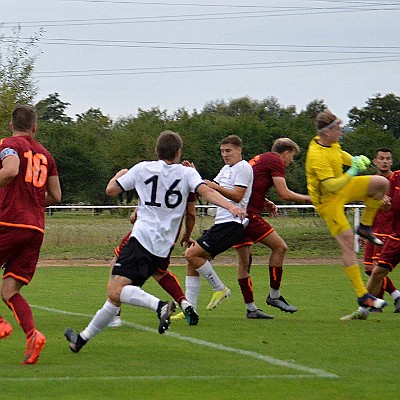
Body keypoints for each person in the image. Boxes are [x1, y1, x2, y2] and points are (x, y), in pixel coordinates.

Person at [64, 130, 246, 353]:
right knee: (114, 296)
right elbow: (206, 191)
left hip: (141, 238)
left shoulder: (143, 168)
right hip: (162, 247)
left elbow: (111, 190)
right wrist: (231, 206)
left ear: (157, 151)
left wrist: (118, 174)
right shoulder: (187, 174)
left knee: (116, 289)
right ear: (178, 152)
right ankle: (80, 340)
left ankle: (160, 306)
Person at [304, 110, 389, 320]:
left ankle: (365, 226)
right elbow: (331, 186)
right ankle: (363, 296)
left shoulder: (328, 143)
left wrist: (354, 160)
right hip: (328, 201)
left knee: (381, 184)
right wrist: (352, 171)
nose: (341, 132)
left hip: (341, 187)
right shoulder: (316, 155)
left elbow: (339, 155)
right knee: (348, 242)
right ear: (327, 132)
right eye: (338, 129)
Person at [0, 105, 62, 364]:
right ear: (35, 127)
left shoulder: (7, 143)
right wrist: (33, 201)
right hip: (35, 228)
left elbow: (12, 169)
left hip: (9, 221)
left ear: (12, 124)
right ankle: (33, 335)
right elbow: (56, 196)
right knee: (9, 291)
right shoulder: (46, 154)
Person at [172, 134, 256, 321]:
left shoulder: (243, 168)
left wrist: (213, 186)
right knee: (193, 259)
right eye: (222, 151)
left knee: (191, 254)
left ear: (239, 150)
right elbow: (209, 188)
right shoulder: (226, 169)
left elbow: (237, 196)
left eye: (228, 151)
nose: (225, 155)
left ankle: (220, 288)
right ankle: (190, 309)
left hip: (232, 224)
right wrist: (195, 175)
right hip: (222, 223)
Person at [233, 138, 312, 316]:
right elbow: (284, 194)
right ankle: (274, 296)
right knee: (280, 247)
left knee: (244, 263)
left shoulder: (261, 158)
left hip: (236, 213)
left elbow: (249, 184)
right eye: (291, 157)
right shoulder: (275, 161)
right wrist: (308, 198)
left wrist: (266, 201)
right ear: (285, 153)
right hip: (248, 214)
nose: (291, 161)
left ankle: (251, 309)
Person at [108, 193, 199, 327]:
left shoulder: (158, 172)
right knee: (159, 272)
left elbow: (147, 190)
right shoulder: (188, 178)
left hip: (145, 232)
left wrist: (137, 212)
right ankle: (184, 303)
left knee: (117, 262)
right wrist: (187, 235)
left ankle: (114, 314)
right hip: (168, 238)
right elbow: (191, 213)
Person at [362, 148, 400, 313]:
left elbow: (389, 207)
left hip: (387, 232)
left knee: (377, 268)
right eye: (381, 158)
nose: (384, 161)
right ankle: (394, 296)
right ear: (375, 161)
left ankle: (378, 302)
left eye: (388, 159)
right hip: (374, 230)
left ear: (392, 161)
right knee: (369, 268)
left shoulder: (394, 179)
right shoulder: (372, 181)